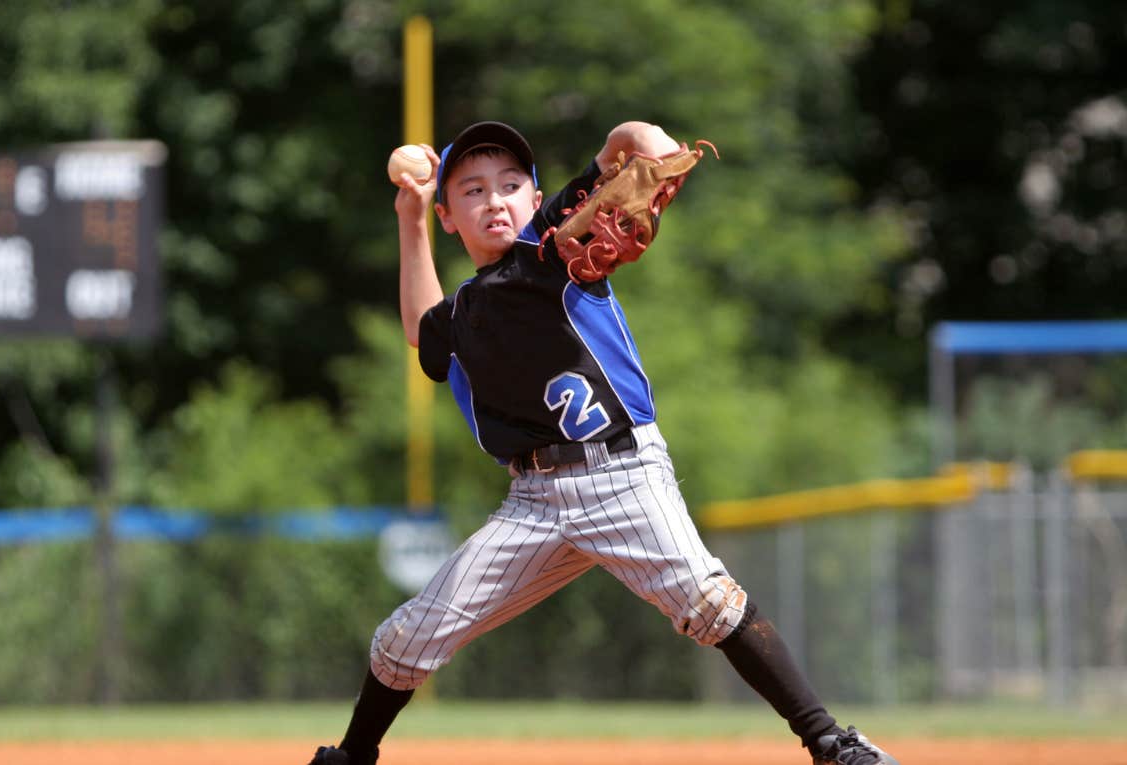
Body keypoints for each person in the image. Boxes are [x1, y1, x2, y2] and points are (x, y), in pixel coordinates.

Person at [308, 121, 900, 765]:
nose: (495, 199)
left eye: (511, 184)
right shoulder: (465, 310)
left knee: (709, 602)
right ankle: (354, 756)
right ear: (452, 216)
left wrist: (656, 152)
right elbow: (424, 335)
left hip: (622, 475)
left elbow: (633, 138)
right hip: (531, 502)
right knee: (405, 638)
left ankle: (832, 744)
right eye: (472, 191)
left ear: (537, 199)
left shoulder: (556, 245)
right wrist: (411, 218)